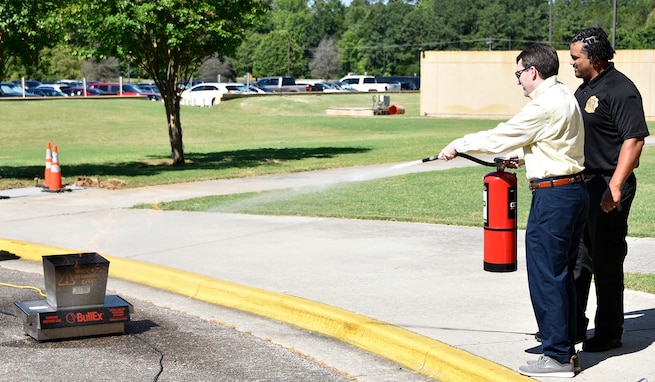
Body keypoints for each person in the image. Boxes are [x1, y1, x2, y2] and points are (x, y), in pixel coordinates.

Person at [438, 43, 588, 378]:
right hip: (573, 191)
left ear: (533, 72)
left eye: (519, 74)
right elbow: (557, 142)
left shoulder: (542, 105)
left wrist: (458, 145)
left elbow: (500, 136)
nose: (518, 81)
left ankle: (558, 358)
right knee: (561, 275)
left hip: (554, 198)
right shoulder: (564, 95)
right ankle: (564, 347)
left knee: (546, 275)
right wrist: (521, 158)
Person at [569, 27, 650, 353]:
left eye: (576, 57)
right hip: (585, 184)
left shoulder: (620, 90)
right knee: (578, 260)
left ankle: (609, 332)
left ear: (596, 58)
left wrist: (615, 186)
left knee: (606, 261)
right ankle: (573, 325)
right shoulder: (584, 89)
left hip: (608, 187)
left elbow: (634, 140)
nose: (571, 61)